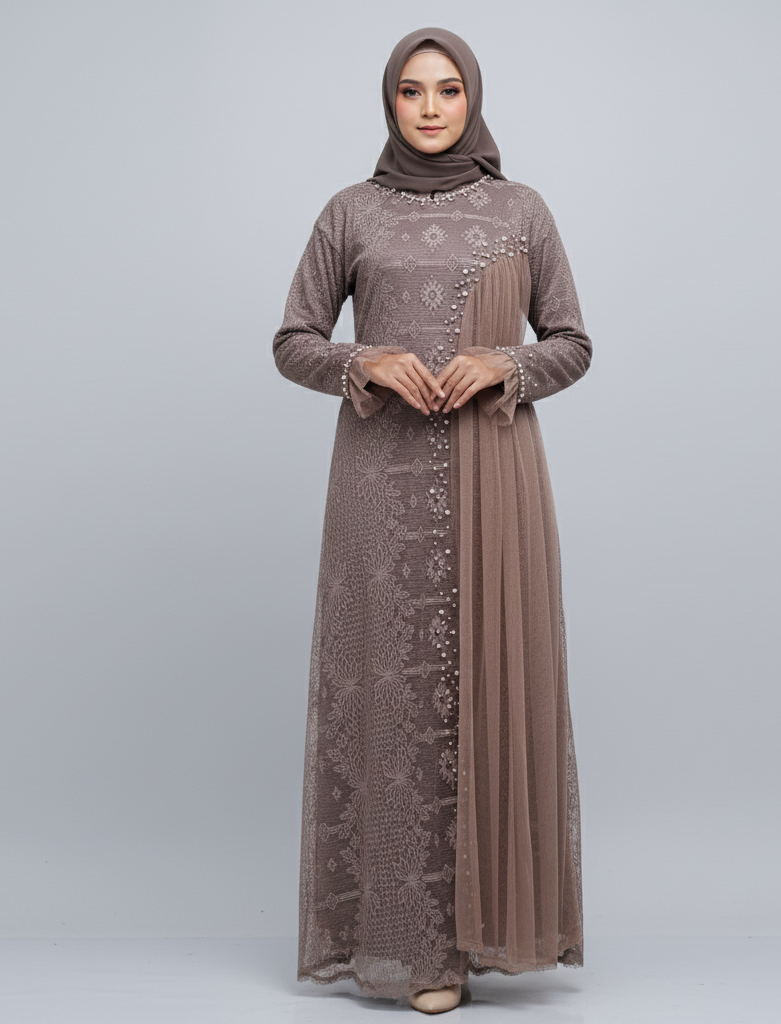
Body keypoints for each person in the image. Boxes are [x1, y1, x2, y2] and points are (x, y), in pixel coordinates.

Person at [274, 27, 591, 1014]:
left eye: (447, 90)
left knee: (487, 685)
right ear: (390, 103)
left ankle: (485, 929)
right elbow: (292, 339)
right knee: (397, 699)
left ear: (471, 99)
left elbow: (573, 341)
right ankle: (415, 948)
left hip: (496, 480)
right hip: (380, 484)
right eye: (411, 92)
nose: (429, 108)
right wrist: (359, 361)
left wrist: (508, 361)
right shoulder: (350, 211)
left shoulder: (521, 210)